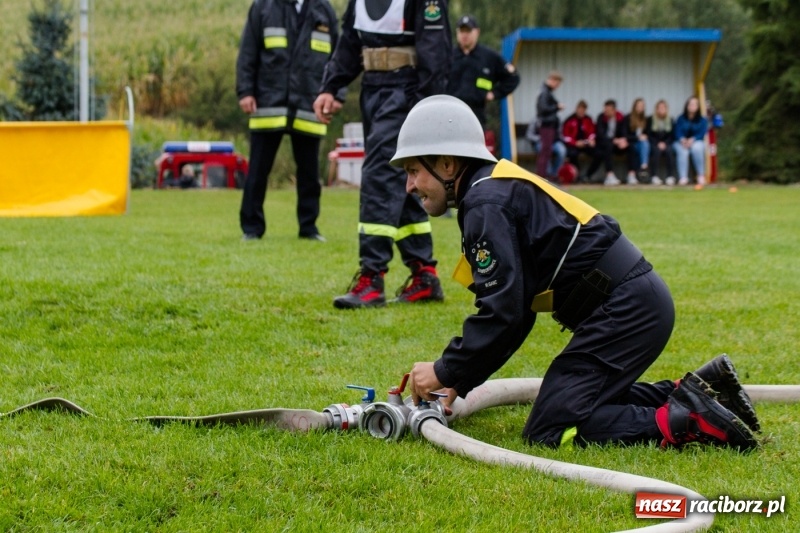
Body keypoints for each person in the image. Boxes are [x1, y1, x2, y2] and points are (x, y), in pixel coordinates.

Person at [391, 95, 759, 451]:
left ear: (446, 164)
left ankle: (694, 419)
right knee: (572, 401)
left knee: (552, 426)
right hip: (632, 304)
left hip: (625, 309)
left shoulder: (485, 204)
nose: (409, 185)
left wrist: (443, 369)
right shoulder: (492, 191)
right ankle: (703, 390)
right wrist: (458, 378)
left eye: (412, 171)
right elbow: (516, 315)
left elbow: (504, 314)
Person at [313, 0, 451, 309]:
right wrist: (329, 87)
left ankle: (372, 278)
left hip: (408, 91)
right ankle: (424, 275)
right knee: (402, 182)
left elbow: (436, 53)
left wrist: (425, 107)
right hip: (373, 90)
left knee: (379, 177)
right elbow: (350, 43)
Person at [236, 0, 341, 242]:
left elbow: (338, 57)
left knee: (309, 173)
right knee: (258, 171)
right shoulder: (263, 7)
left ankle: (309, 227)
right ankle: (251, 228)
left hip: (309, 102)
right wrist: (245, 91)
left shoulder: (323, 10)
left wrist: (337, 93)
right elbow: (248, 52)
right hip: (268, 101)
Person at [446, 15, 520, 134]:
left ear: (477, 32)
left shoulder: (489, 57)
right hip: (448, 114)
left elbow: (513, 77)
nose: (464, 35)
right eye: (461, 31)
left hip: (476, 114)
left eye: (468, 31)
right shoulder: (447, 56)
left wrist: (494, 94)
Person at [586, 99, 628, 186]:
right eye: (605, 109)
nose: (606, 112)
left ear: (614, 110)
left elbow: (624, 132)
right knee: (604, 150)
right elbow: (600, 135)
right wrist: (613, 140)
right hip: (603, 144)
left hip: (617, 145)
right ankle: (609, 174)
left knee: (631, 148)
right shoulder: (601, 117)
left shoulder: (620, 118)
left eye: (608, 110)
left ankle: (632, 175)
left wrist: (623, 140)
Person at [534, 71, 564, 181]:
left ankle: (544, 175)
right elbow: (543, 109)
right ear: (552, 80)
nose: (557, 87)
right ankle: (541, 176)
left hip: (549, 125)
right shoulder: (545, 92)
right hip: (546, 126)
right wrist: (557, 107)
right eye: (557, 84)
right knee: (545, 151)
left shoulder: (546, 91)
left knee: (547, 151)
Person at [673, 96, 708, 186]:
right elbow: (677, 131)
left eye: (694, 104)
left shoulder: (702, 120)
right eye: (690, 104)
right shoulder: (680, 118)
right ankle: (683, 177)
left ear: (698, 107)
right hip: (681, 142)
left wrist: (693, 139)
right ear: (687, 106)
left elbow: (702, 133)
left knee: (697, 148)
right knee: (683, 151)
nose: (692, 106)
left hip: (696, 141)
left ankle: (700, 175)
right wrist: (682, 139)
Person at [561, 99, 596, 179]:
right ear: (576, 109)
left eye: (583, 110)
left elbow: (592, 132)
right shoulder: (569, 120)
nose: (581, 112)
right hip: (573, 145)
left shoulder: (588, 119)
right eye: (580, 109)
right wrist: (575, 143)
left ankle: (588, 175)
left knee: (599, 153)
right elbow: (565, 137)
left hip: (586, 144)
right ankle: (577, 175)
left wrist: (591, 140)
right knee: (572, 154)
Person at [646, 99, 676, 186]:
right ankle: (654, 176)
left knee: (669, 151)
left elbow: (672, 135)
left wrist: (665, 143)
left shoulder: (671, 120)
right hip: (654, 143)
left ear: (667, 109)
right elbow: (649, 134)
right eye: (659, 108)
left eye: (663, 108)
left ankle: (670, 176)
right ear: (656, 109)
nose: (661, 110)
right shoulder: (650, 119)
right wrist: (657, 143)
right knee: (655, 151)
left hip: (667, 143)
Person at [623, 98, 650, 185]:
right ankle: (632, 174)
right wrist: (637, 137)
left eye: (642, 106)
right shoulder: (627, 118)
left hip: (642, 145)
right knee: (632, 149)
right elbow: (625, 135)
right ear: (634, 107)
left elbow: (648, 134)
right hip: (631, 143)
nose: (640, 108)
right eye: (638, 106)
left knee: (645, 143)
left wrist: (644, 137)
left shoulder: (646, 120)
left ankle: (644, 167)